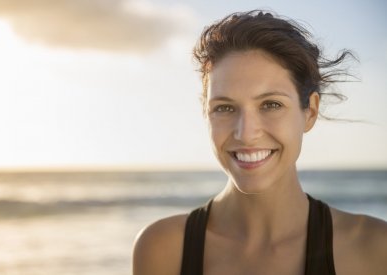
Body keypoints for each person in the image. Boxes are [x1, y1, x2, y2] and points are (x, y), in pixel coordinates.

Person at [132, 10, 387, 275]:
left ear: (310, 111)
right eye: (225, 108)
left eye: (271, 104)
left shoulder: (373, 249)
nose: (246, 133)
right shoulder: (163, 249)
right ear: (205, 112)